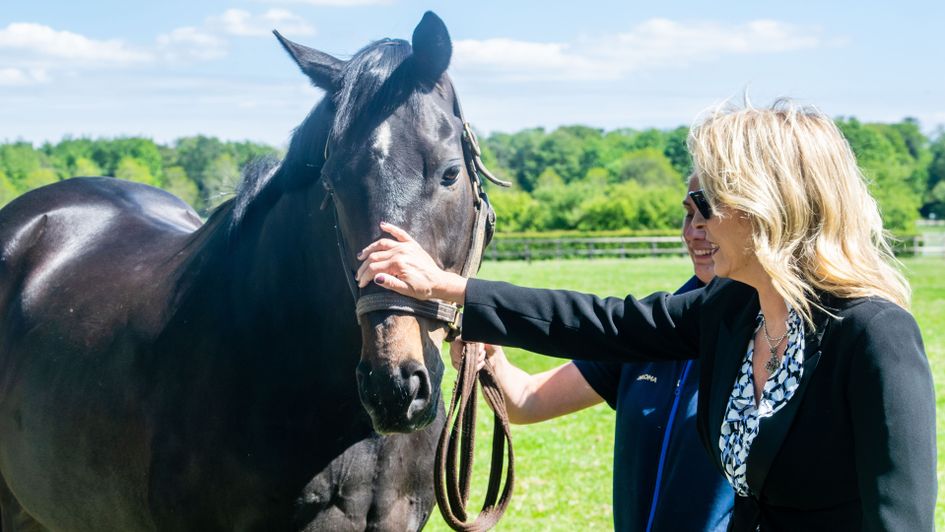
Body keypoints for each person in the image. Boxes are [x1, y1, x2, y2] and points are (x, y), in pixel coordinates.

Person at [355, 100, 936, 530]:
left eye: (707, 202)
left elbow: (899, 520)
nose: (695, 225)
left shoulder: (874, 335)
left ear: (768, 207)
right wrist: (452, 290)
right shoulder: (732, 311)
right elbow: (604, 322)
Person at [450, 174, 732, 531]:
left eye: (708, 214)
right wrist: (491, 359)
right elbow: (528, 399)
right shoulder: (648, 332)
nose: (693, 231)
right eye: (688, 215)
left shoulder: (773, 333)